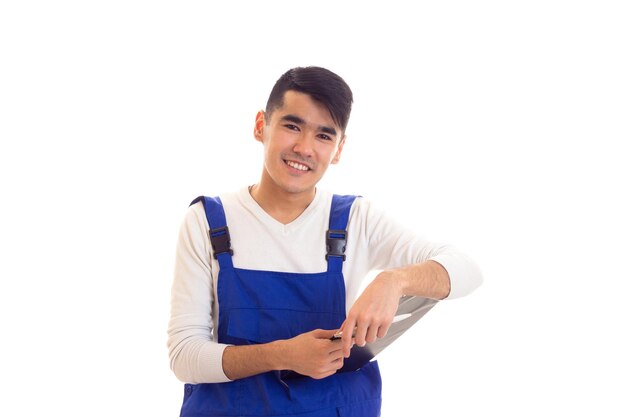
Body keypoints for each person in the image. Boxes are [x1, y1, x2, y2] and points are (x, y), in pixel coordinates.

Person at [167, 66, 483, 417]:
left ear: (338, 149)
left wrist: (394, 280)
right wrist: (283, 354)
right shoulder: (209, 222)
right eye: (292, 126)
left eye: (323, 136)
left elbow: (468, 270)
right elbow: (184, 355)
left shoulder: (354, 220)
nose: (304, 148)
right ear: (261, 126)